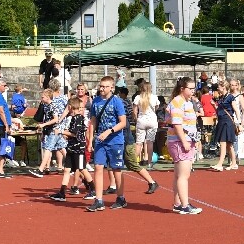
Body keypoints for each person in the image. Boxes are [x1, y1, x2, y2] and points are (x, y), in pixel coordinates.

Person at [87, 77, 127, 212]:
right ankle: (98, 200)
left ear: (112, 88)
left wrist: (109, 131)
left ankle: (120, 197)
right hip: (100, 141)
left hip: (115, 140)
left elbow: (123, 122)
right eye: (101, 86)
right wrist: (90, 139)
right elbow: (92, 121)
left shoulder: (117, 102)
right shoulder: (96, 101)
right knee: (98, 167)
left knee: (116, 170)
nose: (102, 89)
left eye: (105, 86)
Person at [164, 78, 203, 214]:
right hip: (180, 141)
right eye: (190, 89)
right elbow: (177, 124)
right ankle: (185, 206)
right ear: (182, 89)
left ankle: (178, 203)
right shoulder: (178, 102)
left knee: (179, 174)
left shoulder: (186, 102)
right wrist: (185, 142)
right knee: (183, 175)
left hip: (183, 140)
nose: (193, 91)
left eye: (194, 88)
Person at [47, 97, 93, 202]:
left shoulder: (78, 118)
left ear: (70, 107)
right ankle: (62, 192)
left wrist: (61, 132)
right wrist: (66, 134)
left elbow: (75, 133)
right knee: (67, 169)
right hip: (72, 147)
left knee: (82, 169)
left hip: (78, 148)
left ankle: (93, 189)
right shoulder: (74, 119)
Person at [211, 81, 241, 171]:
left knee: (223, 142)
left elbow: (236, 110)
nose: (217, 88)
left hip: (227, 122)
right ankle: (234, 163)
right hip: (221, 120)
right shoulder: (221, 97)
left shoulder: (230, 97)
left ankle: (220, 164)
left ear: (224, 87)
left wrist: (239, 123)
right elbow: (219, 110)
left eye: (219, 87)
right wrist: (213, 106)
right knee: (229, 145)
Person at [133, 81, 160, 167]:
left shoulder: (138, 97)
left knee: (138, 143)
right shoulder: (154, 97)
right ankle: (149, 162)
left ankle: (133, 162)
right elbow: (157, 108)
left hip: (141, 120)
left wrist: (136, 119)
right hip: (152, 120)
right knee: (150, 142)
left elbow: (134, 111)